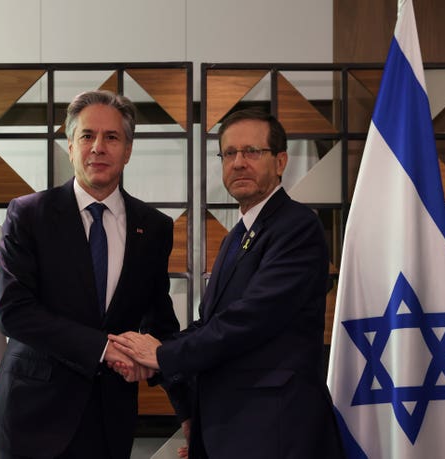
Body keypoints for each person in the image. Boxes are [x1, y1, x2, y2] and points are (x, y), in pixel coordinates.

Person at [110, 109, 346, 458]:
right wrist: (150, 354)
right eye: (230, 153)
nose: (238, 163)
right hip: (232, 426)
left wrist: (160, 354)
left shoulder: (297, 227)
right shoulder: (237, 236)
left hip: (275, 430)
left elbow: (251, 319)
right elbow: (211, 323)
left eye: (252, 152)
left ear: (280, 161)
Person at [0, 90, 180, 459]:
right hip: (32, 419)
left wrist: (182, 405)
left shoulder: (154, 227)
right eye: (87, 136)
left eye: (112, 137)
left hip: (110, 420)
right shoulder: (29, 214)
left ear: (129, 150)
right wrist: (104, 349)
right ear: (70, 146)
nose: (98, 148)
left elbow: (158, 321)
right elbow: (14, 311)